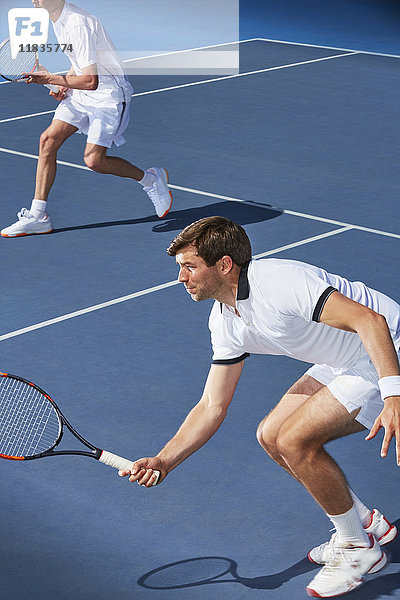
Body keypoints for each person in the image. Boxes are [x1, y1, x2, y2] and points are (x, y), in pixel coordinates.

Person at [119, 216, 400, 598]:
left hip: (387, 347)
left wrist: (393, 395)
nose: (181, 279)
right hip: (344, 358)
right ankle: (364, 522)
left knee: (295, 440)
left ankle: (358, 549)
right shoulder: (225, 321)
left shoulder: (279, 284)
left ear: (224, 264)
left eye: (189, 267)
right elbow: (212, 405)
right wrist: (165, 460)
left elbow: (371, 321)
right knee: (270, 435)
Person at [1, 0, 172, 238]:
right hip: (82, 94)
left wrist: (54, 79)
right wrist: (65, 87)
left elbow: (92, 81)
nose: (34, 1)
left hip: (108, 96)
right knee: (47, 140)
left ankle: (150, 180)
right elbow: (78, 64)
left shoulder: (77, 24)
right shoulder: (57, 19)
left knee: (94, 160)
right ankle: (38, 216)